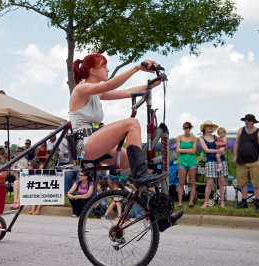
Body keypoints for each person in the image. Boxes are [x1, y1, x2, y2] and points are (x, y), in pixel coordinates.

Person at [70, 53, 183, 226]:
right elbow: (109, 84)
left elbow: (127, 92)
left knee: (141, 168)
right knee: (132, 124)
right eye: (104, 66)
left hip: (97, 143)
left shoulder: (97, 94)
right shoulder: (81, 89)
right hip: (84, 144)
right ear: (92, 70)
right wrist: (137, 68)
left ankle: (160, 218)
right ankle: (140, 177)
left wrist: (152, 84)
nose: (108, 69)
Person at [198, 120, 228, 209]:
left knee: (221, 182)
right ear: (205, 128)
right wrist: (218, 151)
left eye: (211, 126)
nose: (210, 127)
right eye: (208, 126)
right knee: (210, 183)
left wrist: (224, 149)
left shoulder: (215, 137)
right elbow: (206, 150)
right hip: (210, 161)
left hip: (221, 160)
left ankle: (222, 202)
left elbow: (224, 146)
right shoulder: (201, 138)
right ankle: (206, 202)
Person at [234, 114, 259, 211]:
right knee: (243, 183)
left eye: (249, 120)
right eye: (245, 120)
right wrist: (235, 156)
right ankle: (244, 202)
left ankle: (257, 204)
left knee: (256, 184)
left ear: (253, 121)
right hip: (242, 162)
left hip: (254, 162)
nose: (247, 121)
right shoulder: (241, 130)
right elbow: (236, 143)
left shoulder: (258, 132)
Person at [176, 121, 198, 208]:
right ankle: (180, 202)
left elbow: (194, 151)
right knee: (181, 182)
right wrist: (189, 150)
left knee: (192, 182)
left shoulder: (194, 138)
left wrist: (183, 150)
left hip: (192, 161)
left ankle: (191, 202)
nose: (187, 129)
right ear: (183, 128)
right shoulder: (179, 137)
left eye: (189, 127)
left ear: (191, 128)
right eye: (185, 127)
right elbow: (177, 149)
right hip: (182, 161)